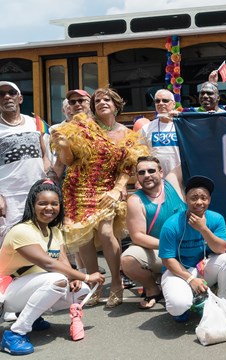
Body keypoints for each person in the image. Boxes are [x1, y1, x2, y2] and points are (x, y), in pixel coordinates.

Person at [50, 87, 148, 308]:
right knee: (83, 238)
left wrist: (117, 189)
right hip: (77, 188)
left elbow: (128, 167)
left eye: (107, 99)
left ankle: (116, 282)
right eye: (98, 100)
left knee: (105, 233)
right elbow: (68, 159)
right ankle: (94, 282)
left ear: (116, 105)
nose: (102, 102)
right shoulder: (82, 127)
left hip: (107, 189)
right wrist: (64, 147)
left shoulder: (128, 134)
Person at [0, 179, 104, 355]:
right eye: (42, 203)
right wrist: (85, 276)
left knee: (81, 291)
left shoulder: (54, 231)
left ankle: (32, 317)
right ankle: (15, 333)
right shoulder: (21, 231)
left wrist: (74, 278)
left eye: (54, 204)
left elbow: (61, 259)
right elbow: (47, 263)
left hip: (24, 288)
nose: (49, 208)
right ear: (32, 205)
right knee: (57, 280)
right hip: (5, 292)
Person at [159, 175, 226, 322]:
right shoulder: (172, 224)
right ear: (186, 199)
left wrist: (203, 229)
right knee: (178, 305)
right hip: (177, 271)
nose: (199, 202)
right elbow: (167, 260)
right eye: (194, 198)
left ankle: (221, 305)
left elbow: (221, 249)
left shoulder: (216, 218)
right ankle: (185, 305)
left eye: (204, 198)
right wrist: (190, 280)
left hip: (202, 267)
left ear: (209, 200)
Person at [121, 156, 185, 309]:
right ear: (137, 177)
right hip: (160, 251)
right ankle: (152, 287)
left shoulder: (173, 182)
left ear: (161, 172)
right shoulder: (135, 200)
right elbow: (137, 236)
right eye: (141, 172)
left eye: (151, 171)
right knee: (127, 261)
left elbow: (190, 157)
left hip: (189, 248)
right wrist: (170, 246)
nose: (147, 175)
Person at [0, 81, 49, 245]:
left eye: (11, 92)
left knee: (40, 236)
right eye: (1, 94)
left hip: (36, 191)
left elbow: (44, 156)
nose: (6, 96)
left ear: (20, 98)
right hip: (9, 196)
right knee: (11, 240)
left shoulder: (35, 122)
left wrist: (46, 181)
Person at [139, 89, 180, 175]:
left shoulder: (182, 126)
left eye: (165, 100)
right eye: (157, 101)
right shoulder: (146, 128)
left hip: (180, 177)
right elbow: (141, 156)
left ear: (173, 104)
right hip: (156, 178)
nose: (161, 103)